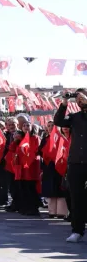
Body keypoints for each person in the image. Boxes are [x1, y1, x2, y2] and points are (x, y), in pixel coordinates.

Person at [54, 89, 87, 243]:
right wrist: (65, 102)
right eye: (78, 99)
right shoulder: (74, 117)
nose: (80, 100)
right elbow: (58, 121)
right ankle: (77, 230)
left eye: (83, 97)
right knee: (76, 197)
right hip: (76, 162)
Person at [13, 121, 41, 216]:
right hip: (22, 167)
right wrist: (15, 140)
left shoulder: (35, 138)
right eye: (24, 125)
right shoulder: (20, 139)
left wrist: (28, 159)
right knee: (23, 187)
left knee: (31, 187)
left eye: (28, 125)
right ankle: (25, 207)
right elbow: (13, 149)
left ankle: (33, 208)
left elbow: (36, 150)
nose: (25, 127)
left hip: (31, 165)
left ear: (31, 127)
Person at [41, 122, 66, 218]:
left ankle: (61, 212)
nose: (51, 127)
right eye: (49, 126)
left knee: (60, 189)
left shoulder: (63, 138)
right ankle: (51, 211)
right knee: (50, 189)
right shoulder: (45, 139)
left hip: (60, 166)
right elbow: (40, 151)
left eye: (53, 125)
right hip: (49, 167)